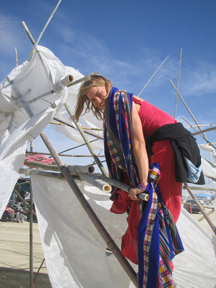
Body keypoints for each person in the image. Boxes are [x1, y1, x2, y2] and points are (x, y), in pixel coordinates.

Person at [74, 75, 203, 286]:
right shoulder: (114, 107)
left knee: (161, 207)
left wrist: (142, 183)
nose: (97, 101)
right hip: (158, 147)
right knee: (149, 207)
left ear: (107, 85)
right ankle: (156, 264)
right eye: (92, 99)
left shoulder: (122, 101)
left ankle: (160, 266)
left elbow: (137, 143)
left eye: (98, 94)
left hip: (166, 145)